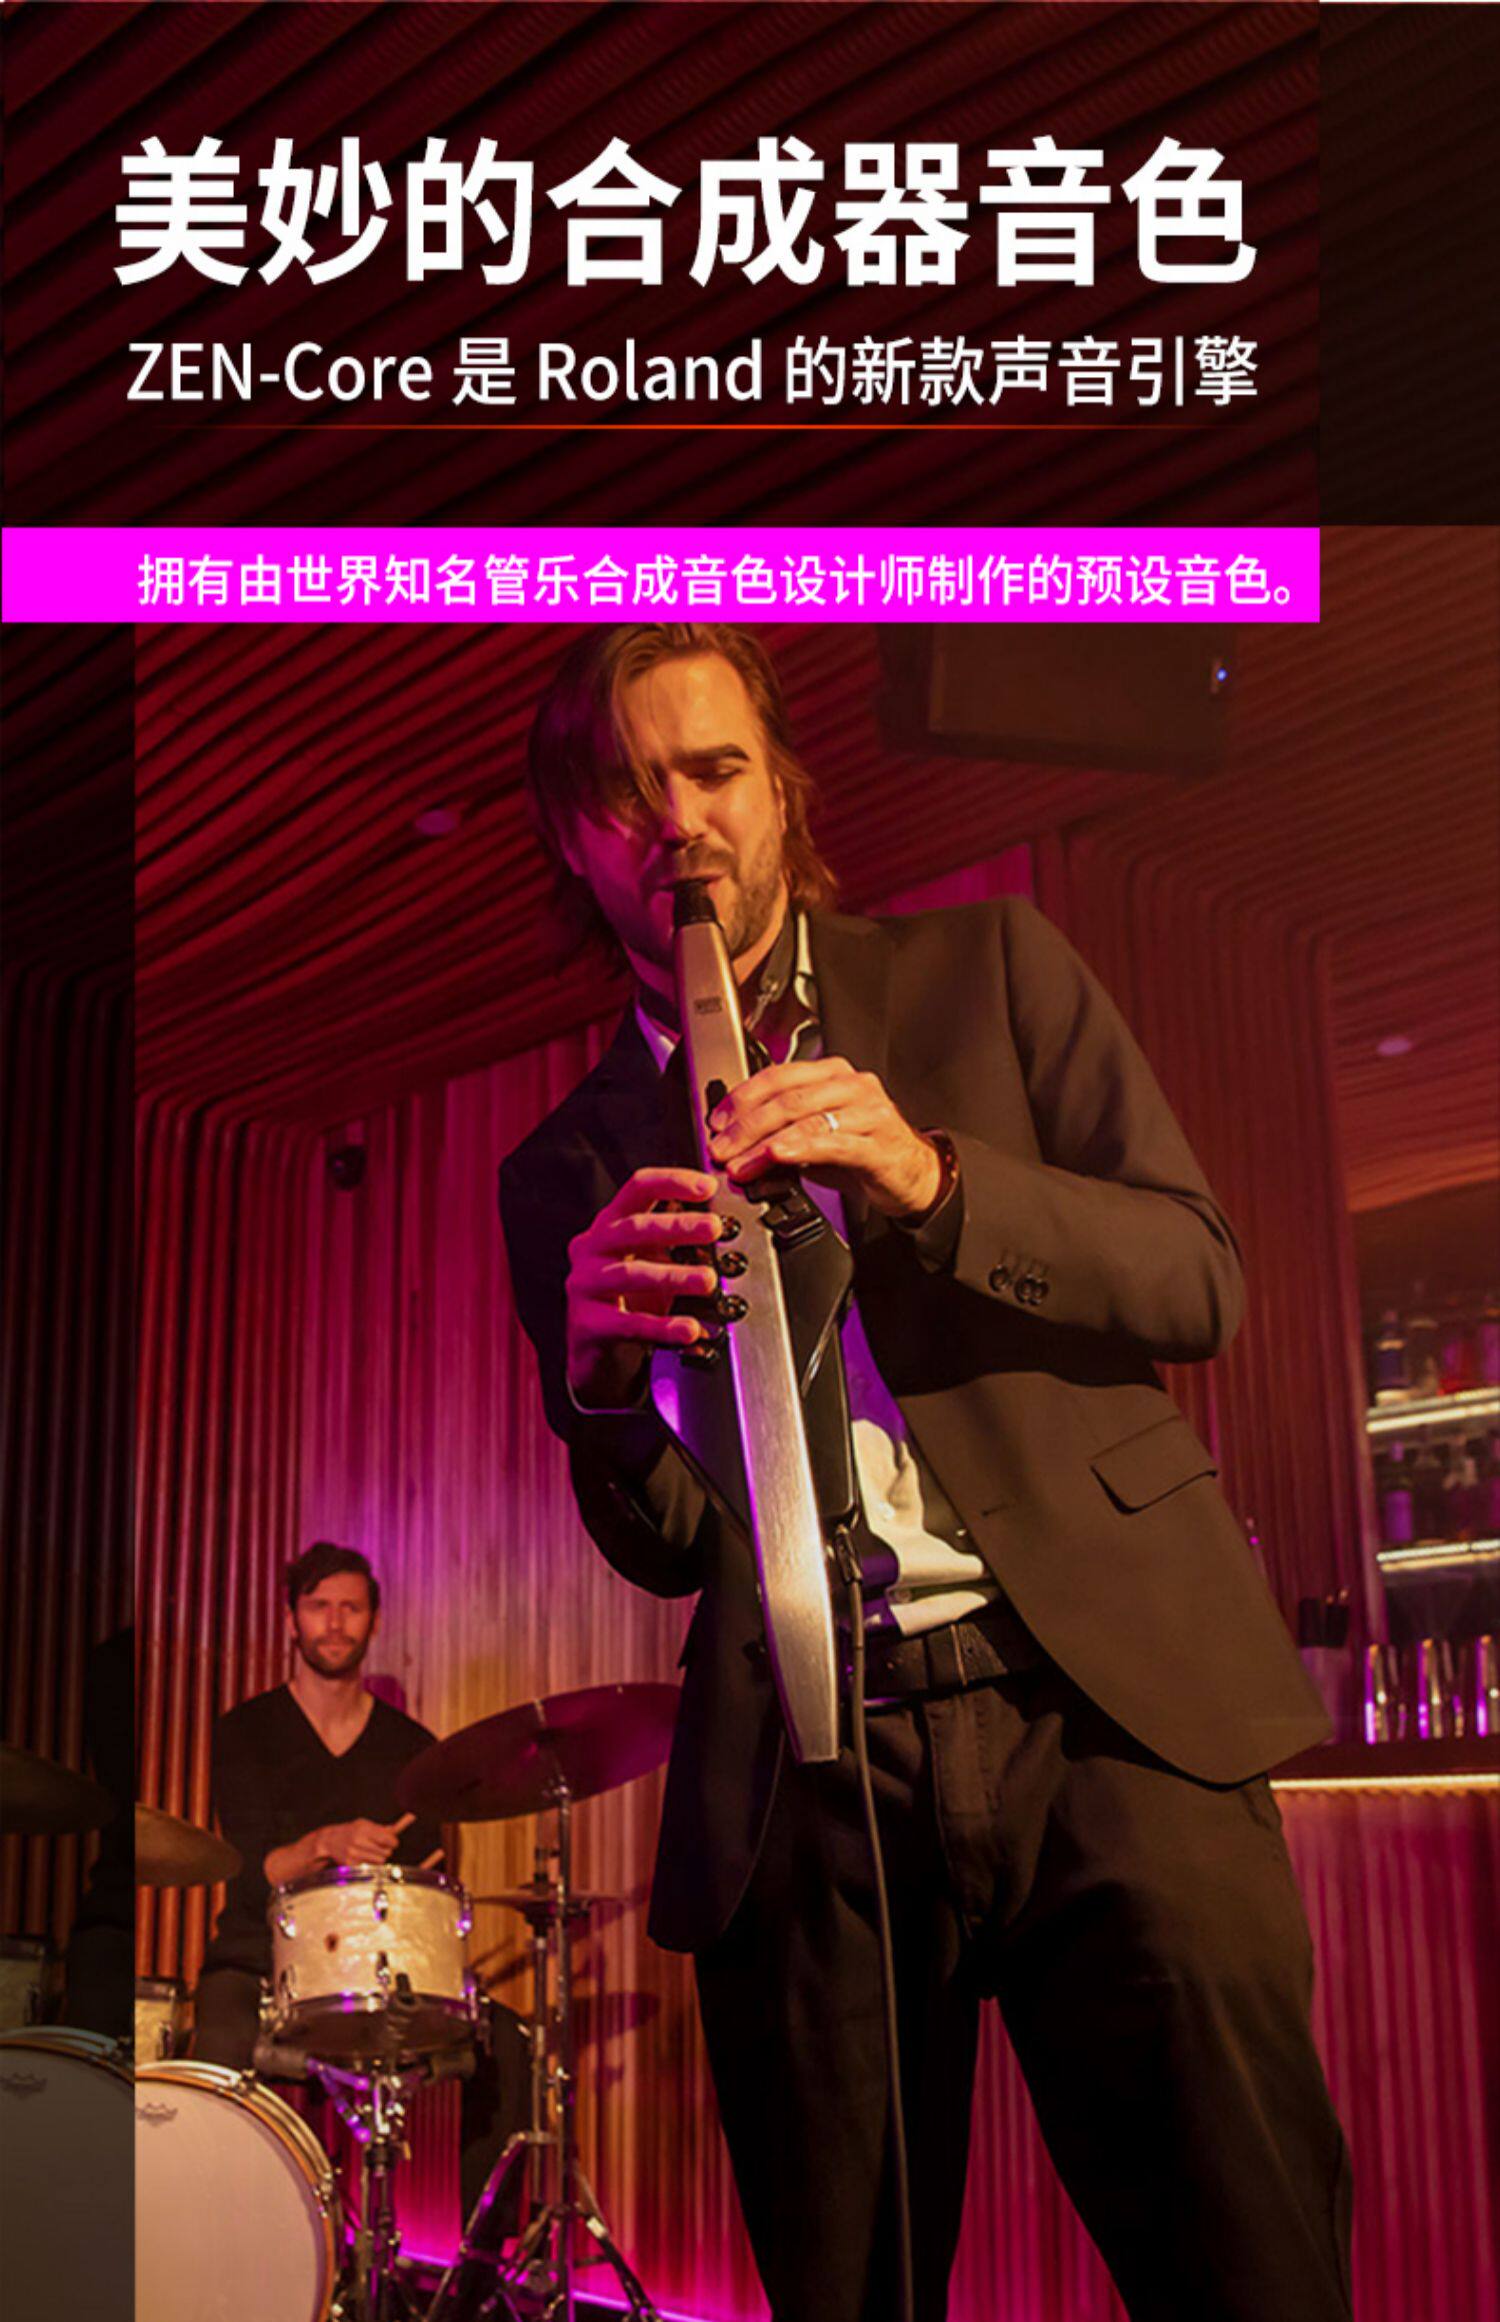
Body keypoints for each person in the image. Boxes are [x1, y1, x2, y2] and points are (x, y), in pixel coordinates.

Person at [498, 625, 1353, 2322]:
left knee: (1249, 2264)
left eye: (715, 770)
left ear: (784, 792)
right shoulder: (561, 1167)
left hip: (1104, 1714)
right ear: (571, 839)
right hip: (808, 1771)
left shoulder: (992, 969)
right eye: (627, 788)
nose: (678, 820)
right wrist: (599, 1391)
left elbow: (1198, 1277)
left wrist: (931, 1172)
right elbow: (666, 1546)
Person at [194, 1542, 443, 2066]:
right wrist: (326, 1843)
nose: (334, 1624)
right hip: (257, 1959)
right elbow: (251, 1877)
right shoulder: (245, 1732)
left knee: (497, 2043)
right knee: (221, 2042)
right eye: (318, 1607)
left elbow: (422, 1896)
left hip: (373, 1967)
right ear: (291, 1621)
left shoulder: (415, 1750)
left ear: (375, 1622)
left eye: (351, 1608)